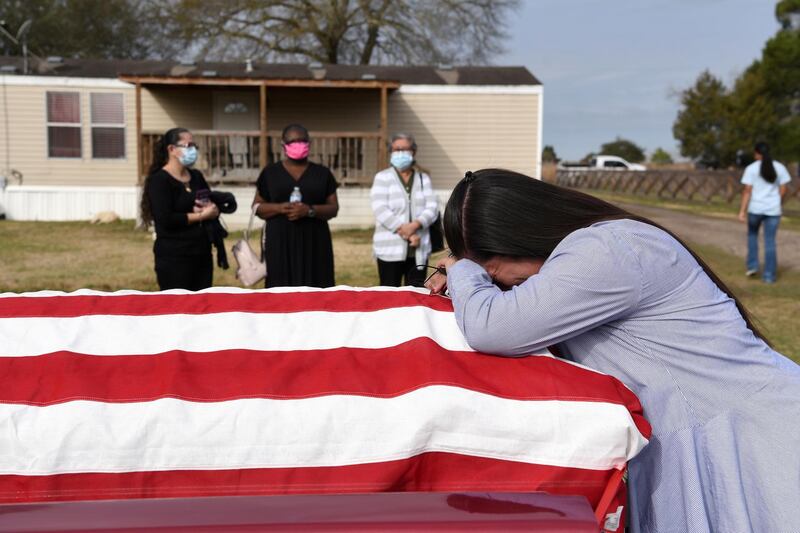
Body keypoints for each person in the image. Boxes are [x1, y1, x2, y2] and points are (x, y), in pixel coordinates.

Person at [425, 169, 800, 533]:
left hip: (760, 446)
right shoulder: (598, 246)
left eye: (516, 282)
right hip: (718, 437)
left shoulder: (606, 250)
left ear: (527, 234)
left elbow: (494, 327)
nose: (515, 289)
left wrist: (464, 272)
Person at [252, 124, 339, 287]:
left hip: (315, 242)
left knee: (316, 287)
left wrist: (309, 210)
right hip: (279, 241)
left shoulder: (322, 173)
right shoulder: (270, 173)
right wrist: (279, 208)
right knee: (280, 290)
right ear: (283, 145)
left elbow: (333, 208)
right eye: (293, 141)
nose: (298, 144)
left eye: (302, 141)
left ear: (309, 143)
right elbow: (257, 207)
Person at [141, 127, 220, 291]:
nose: (193, 150)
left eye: (194, 146)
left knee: (202, 307)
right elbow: (166, 219)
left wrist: (213, 209)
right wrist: (200, 216)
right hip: (174, 256)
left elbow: (209, 201)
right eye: (188, 145)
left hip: (201, 253)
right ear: (172, 149)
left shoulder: (196, 176)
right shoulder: (159, 180)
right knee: (178, 308)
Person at [370, 132, 439, 287]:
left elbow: (432, 207)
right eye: (396, 149)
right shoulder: (382, 177)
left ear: (413, 151)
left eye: (405, 149)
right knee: (388, 294)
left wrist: (415, 225)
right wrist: (406, 232)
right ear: (391, 152)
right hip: (389, 249)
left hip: (418, 249)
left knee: (416, 295)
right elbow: (380, 208)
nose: (400, 152)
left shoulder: (423, 178)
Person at [737, 142, 792, 283]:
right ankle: (769, 276)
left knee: (752, 236)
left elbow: (747, 190)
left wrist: (742, 211)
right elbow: (784, 189)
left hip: (755, 209)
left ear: (757, 153)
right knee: (770, 242)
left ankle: (752, 266)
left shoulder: (751, 168)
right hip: (773, 211)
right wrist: (776, 201)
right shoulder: (780, 167)